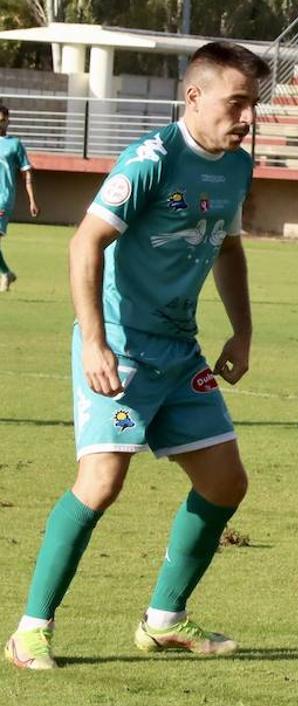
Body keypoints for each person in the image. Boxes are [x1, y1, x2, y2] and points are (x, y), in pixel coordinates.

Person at [4, 41, 269, 671]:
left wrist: (242, 331)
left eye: (253, 105)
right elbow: (85, 244)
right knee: (101, 484)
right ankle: (30, 631)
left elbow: (228, 249)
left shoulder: (237, 167)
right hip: (121, 345)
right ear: (195, 97)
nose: (247, 118)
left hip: (181, 350)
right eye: (236, 103)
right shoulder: (149, 160)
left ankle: (164, 621)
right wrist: (95, 340)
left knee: (226, 481)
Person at [0, 104, 39, 292]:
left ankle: (5, 273)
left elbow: (27, 173)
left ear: (8, 121)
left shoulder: (14, 144)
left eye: (2, 120)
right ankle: (6, 273)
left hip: (3, 198)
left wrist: (32, 200)